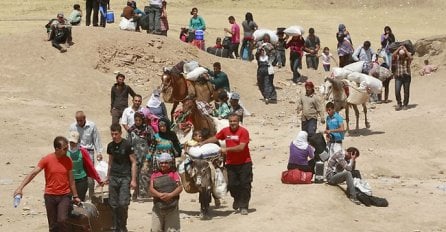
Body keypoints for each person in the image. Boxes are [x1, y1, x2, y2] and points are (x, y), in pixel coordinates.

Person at [13, 136, 81, 231]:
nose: (67, 150)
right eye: (65, 148)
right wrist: (20, 188)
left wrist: (75, 195)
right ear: (57, 149)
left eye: (67, 147)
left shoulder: (68, 160)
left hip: (64, 195)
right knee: (53, 225)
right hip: (50, 196)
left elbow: (71, 179)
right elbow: (33, 173)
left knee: (62, 219)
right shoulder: (47, 159)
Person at [200, 113, 252, 215]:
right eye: (231, 121)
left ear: (238, 122)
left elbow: (241, 147)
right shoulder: (225, 131)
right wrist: (203, 143)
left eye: (235, 121)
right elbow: (216, 138)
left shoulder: (243, 132)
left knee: (245, 184)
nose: (233, 123)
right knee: (232, 184)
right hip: (231, 163)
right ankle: (237, 199)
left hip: (244, 163)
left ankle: (244, 206)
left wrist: (226, 149)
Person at [105, 123, 137, 232]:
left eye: (116, 134)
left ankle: (122, 226)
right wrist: (108, 176)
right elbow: (110, 161)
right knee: (113, 204)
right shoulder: (110, 146)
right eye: (112, 134)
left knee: (123, 204)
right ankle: (115, 227)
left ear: (120, 133)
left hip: (125, 177)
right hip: (114, 176)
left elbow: (133, 162)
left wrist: (133, 180)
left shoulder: (127, 145)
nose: (114, 136)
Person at [69, 111, 103, 200]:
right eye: (77, 120)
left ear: (84, 118)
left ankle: (92, 195)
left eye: (81, 120)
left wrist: (99, 152)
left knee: (90, 173)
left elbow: (96, 139)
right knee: (76, 172)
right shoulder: (73, 127)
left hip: (88, 152)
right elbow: (70, 140)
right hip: (76, 152)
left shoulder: (92, 126)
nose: (79, 122)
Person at [149, 153, 182, 232]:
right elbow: (151, 189)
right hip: (158, 208)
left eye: (166, 162)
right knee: (156, 230)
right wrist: (159, 195)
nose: (163, 165)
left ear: (170, 163)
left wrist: (170, 195)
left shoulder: (174, 174)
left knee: (172, 230)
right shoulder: (155, 174)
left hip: (172, 208)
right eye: (161, 163)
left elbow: (180, 188)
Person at [127, 112, 155, 201]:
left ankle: (143, 194)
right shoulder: (131, 130)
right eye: (136, 120)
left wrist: (151, 153)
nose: (138, 122)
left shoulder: (148, 129)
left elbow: (153, 141)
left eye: (139, 120)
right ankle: (135, 193)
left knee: (144, 174)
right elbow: (128, 143)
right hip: (134, 156)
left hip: (146, 155)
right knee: (135, 174)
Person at [256, 34, 277, 104]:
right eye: (265, 39)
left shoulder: (270, 49)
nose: (266, 41)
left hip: (267, 69)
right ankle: (268, 96)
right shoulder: (260, 49)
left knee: (267, 83)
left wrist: (270, 48)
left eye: (267, 39)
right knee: (260, 83)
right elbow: (256, 55)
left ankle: (268, 97)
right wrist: (260, 48)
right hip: (260, 70)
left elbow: (274, 56)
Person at [393, 45, 413, 111]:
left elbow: (411, 57)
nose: (401, 56)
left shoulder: (407, 59)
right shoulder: (397, 58)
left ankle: (405, 105)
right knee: (397, 91)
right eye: (400, 54)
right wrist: (399, 48)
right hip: (398, 77)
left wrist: (405, 50)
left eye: (403, 55)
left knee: (406, 91)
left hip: (406, 77)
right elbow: (393, 54)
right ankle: (399, 103)